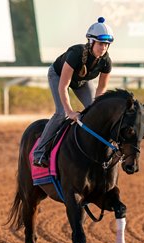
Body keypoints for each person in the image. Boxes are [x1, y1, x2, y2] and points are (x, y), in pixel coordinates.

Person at [33, 17, 114, 167]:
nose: (103, 48)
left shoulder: (106, 61)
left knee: (95, 113)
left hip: (82, 81)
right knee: (61, 113)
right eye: (100, 43)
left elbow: (101, 88)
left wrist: (97, 107)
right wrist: (70, 112)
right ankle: (39, 152)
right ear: (91, 42)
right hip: (58, 76)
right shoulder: (76, 53)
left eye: (106, 44)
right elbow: (63, 86)